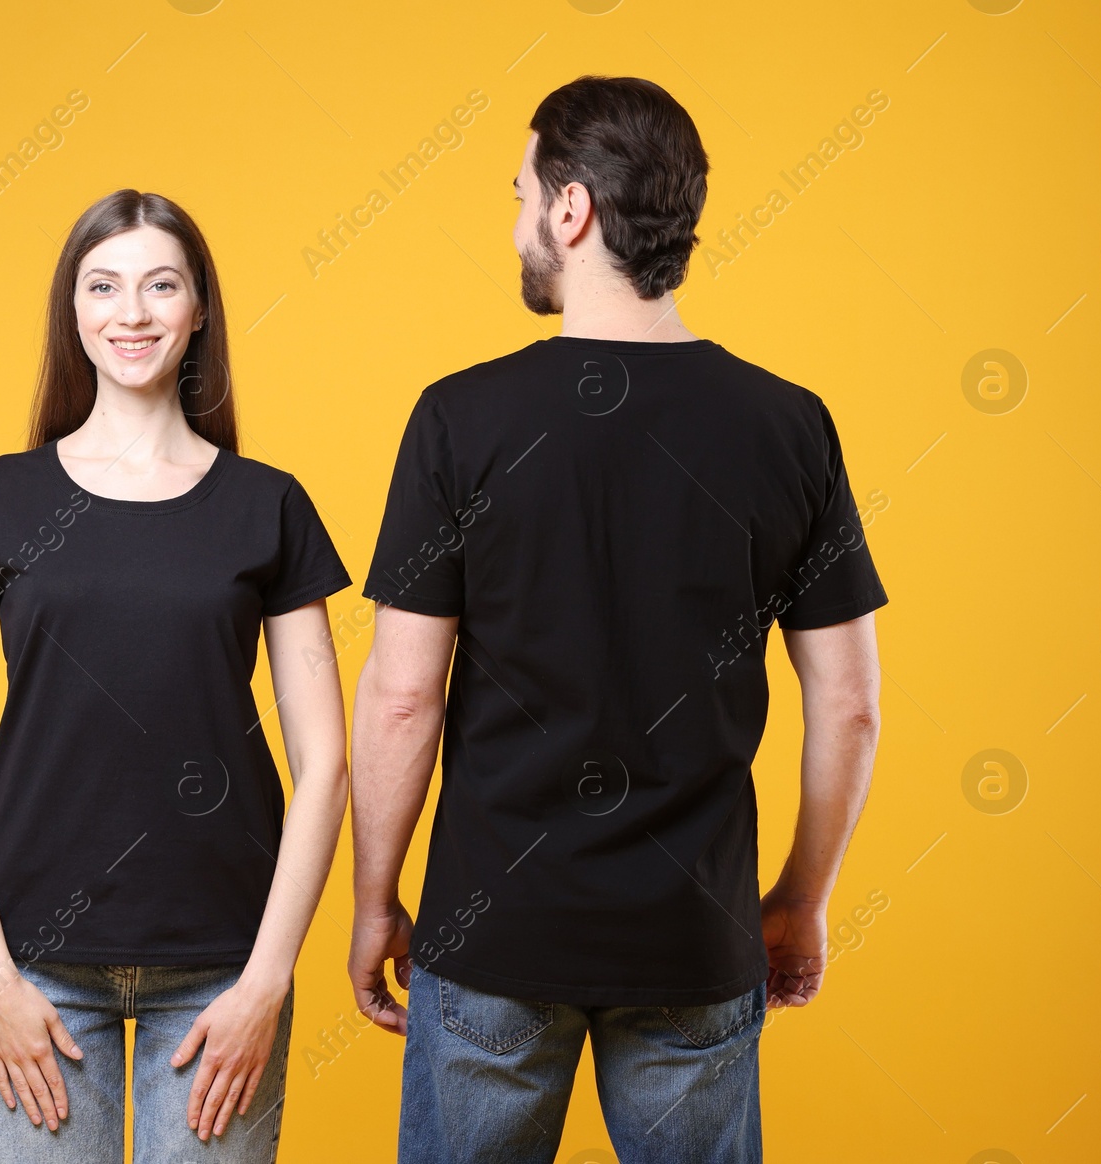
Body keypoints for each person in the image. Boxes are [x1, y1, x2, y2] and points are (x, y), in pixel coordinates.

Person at [347, 76, 888, 1164]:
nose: (514, 225)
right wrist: (801, 898)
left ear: (570, 209)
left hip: (491, 932)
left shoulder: (460, 417)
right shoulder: (787, 425)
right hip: (693, 935)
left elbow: (403, 695)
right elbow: (852, 703)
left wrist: (375, 900)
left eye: (518, 194)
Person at [0, 189, 352, 1163]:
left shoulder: (267, 507)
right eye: (103, 286)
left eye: (161, 285)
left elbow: (325, 764)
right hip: (35, 969)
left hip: (222, 968)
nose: (132, 312)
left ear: (198, 311)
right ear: (74, 312)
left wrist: (267, 983)